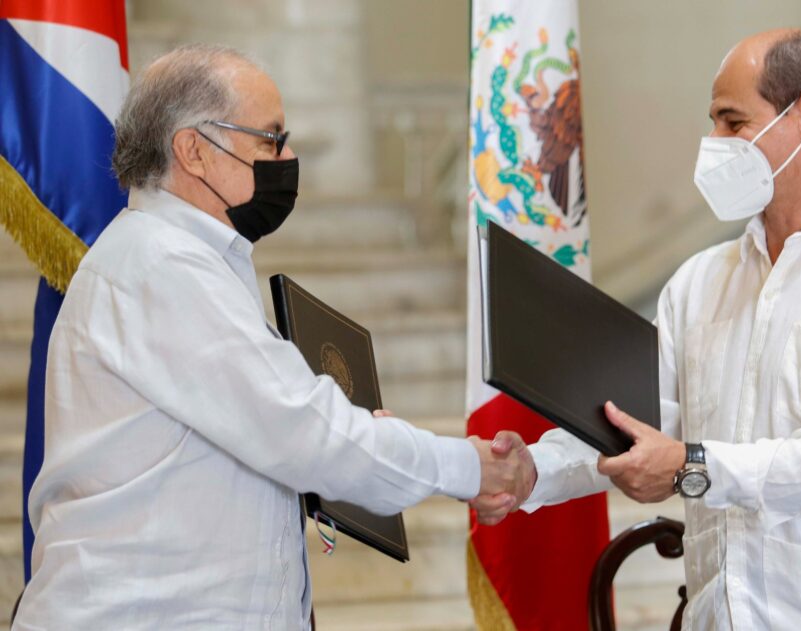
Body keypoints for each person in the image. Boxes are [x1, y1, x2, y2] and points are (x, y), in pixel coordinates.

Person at [14, 44, 534, 630]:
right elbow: (304, 434)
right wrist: (468, 466)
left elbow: (276, 429)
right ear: (194, 151)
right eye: (270, 139)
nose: (287, 158)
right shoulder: (163, 266)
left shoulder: (186, 259)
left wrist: (360, 437)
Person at [472, 28, 801, 630]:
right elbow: (633, 424)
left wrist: (691, 466)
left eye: (732, 122)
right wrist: (531, 472)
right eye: (713, 123)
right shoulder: (698, 283)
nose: (713, 144)